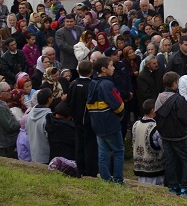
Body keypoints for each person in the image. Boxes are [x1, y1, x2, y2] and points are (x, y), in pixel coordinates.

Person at [157, 70, 187, 198]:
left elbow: (157, 115)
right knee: (186, 159)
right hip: (178, 135)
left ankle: (173, 186)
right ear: (175, 83)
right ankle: (186, 187)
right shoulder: (178, 99)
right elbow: (183, 117)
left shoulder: (159, 97)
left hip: (164, 134)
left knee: (170, 160)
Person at [87, 55, 126, 183]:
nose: (113, 68)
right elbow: (118, 104)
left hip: (97, 123)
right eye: (111, 66)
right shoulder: (107, 84)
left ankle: (105, 179)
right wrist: (120, 115)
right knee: (118, 151)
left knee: (103, 152)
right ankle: (118, 180)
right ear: (104, 69)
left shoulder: (92, 83)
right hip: (110, 123)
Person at [67, 58, 99, 176]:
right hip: (88, 122)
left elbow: (69, 102)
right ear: (91, 71)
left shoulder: (73, 84)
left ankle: (80, 168)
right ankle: (90, 171)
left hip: (76, 120)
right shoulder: (92, 85)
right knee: (90, 146)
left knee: (79, 144)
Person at [133, 98, 167, 185]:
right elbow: (164, 147)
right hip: (155, 171)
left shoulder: (135, 124)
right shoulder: (155, 128)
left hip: (140, 168)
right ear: (152, 110)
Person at [26, 86, 53, 163]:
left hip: (34, 154)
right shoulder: (48, 117)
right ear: (49, 99)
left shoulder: (29, 114)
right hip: (46, 156)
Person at [46, 99, 77, 163]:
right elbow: (78, 143)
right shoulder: (67, 128)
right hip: (67, 163)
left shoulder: (50, 121)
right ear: (68, 117)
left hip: (54, 161)